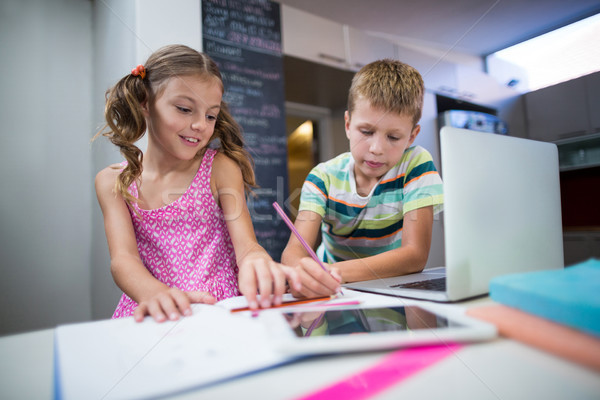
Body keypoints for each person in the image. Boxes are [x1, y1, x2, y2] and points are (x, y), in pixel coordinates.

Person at [95, 44, 300, 322]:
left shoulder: (220, 167)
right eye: (184, 109)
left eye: (210, 115)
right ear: (145, 102)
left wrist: (256, 261)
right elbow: (123, 260)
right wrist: (155, 293)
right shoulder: (113, 181)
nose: (201, 125)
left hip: (221, 307)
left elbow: (247, 246)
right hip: (158, 308)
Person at [281, 59, 443, 298]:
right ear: (348, 124)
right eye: (366, 132)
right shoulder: (322, 178)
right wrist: (304, 274)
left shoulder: (415, 165)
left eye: (394, 137)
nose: (377, 148)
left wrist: (331, 271)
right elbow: (294, 253)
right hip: (334, 293)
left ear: (412, 136)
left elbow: (415, 255)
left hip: (389, 291)